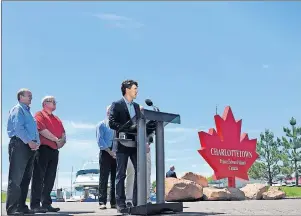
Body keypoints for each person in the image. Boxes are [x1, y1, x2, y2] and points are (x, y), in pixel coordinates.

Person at [6, 88, 40, 215]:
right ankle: (12, 209)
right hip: (20, 144)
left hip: (30, 147)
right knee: (16, 178)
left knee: (26, 178)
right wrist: (29, 141)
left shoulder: (29, 113)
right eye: (28, 95)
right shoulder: (18, 109)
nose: (31, 97)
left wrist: (37, 143)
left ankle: (21, 206)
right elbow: (18, 128)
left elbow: (34, 131)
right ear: (21, 97)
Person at [109, 79, 141, 212]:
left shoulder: (137, 106)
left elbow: (141, 124)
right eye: (135, 88)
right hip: (122, 143)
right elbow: (111, 122)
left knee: (139, 172)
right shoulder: (116, 104)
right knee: (121, 174)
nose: (137, 91)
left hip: (136, 143)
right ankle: (120, 203)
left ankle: (136, 202)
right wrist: (124, 128)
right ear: (127, 89)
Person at [30, 96, 66, 213]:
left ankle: (46, 203)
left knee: (50, 178)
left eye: (55, 101)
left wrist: (61, 142)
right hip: (43, 149)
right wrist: (56, 139)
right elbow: (41, 129)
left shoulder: (57, 118)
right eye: (52, 101)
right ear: (45, 103)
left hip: (54, 150)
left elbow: (63, 134)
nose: (55, 103)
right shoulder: (39, 114)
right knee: (38, 177)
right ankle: (35, 204)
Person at [96, 105, 117, 210]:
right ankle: (102, 202)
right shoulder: (101, 125)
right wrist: (110, 152)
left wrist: (115, 152)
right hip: (105, 153)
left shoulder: (117, 126)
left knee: (115, 179)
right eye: (110, 111)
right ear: (107, 112)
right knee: (103, 178)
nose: (112, 112)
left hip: (116, 153)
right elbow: (100, 141)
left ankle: (114, 202)